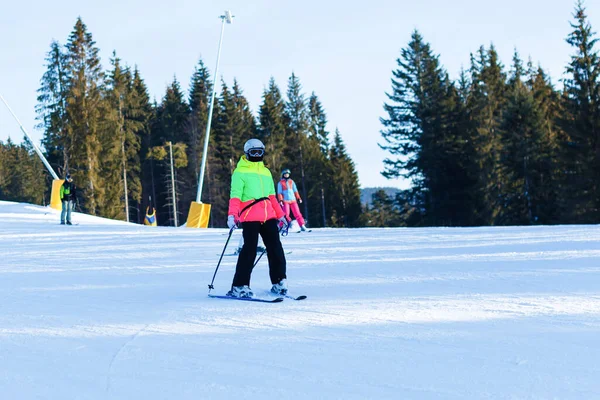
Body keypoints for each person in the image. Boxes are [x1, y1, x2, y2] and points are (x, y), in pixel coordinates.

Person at [226, 138, 289, 298]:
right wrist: (232, 215)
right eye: (253, 152)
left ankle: (279, 281)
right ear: (247, 153)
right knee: (249, 250)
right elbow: (235, 196)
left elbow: (272, 197)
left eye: (259, 152)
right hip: (249, 216)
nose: (256, 155)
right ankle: (239, 285)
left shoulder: (266, 172)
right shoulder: (240, 172)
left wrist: (281, 216)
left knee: (276, 249)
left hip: (269, 216)